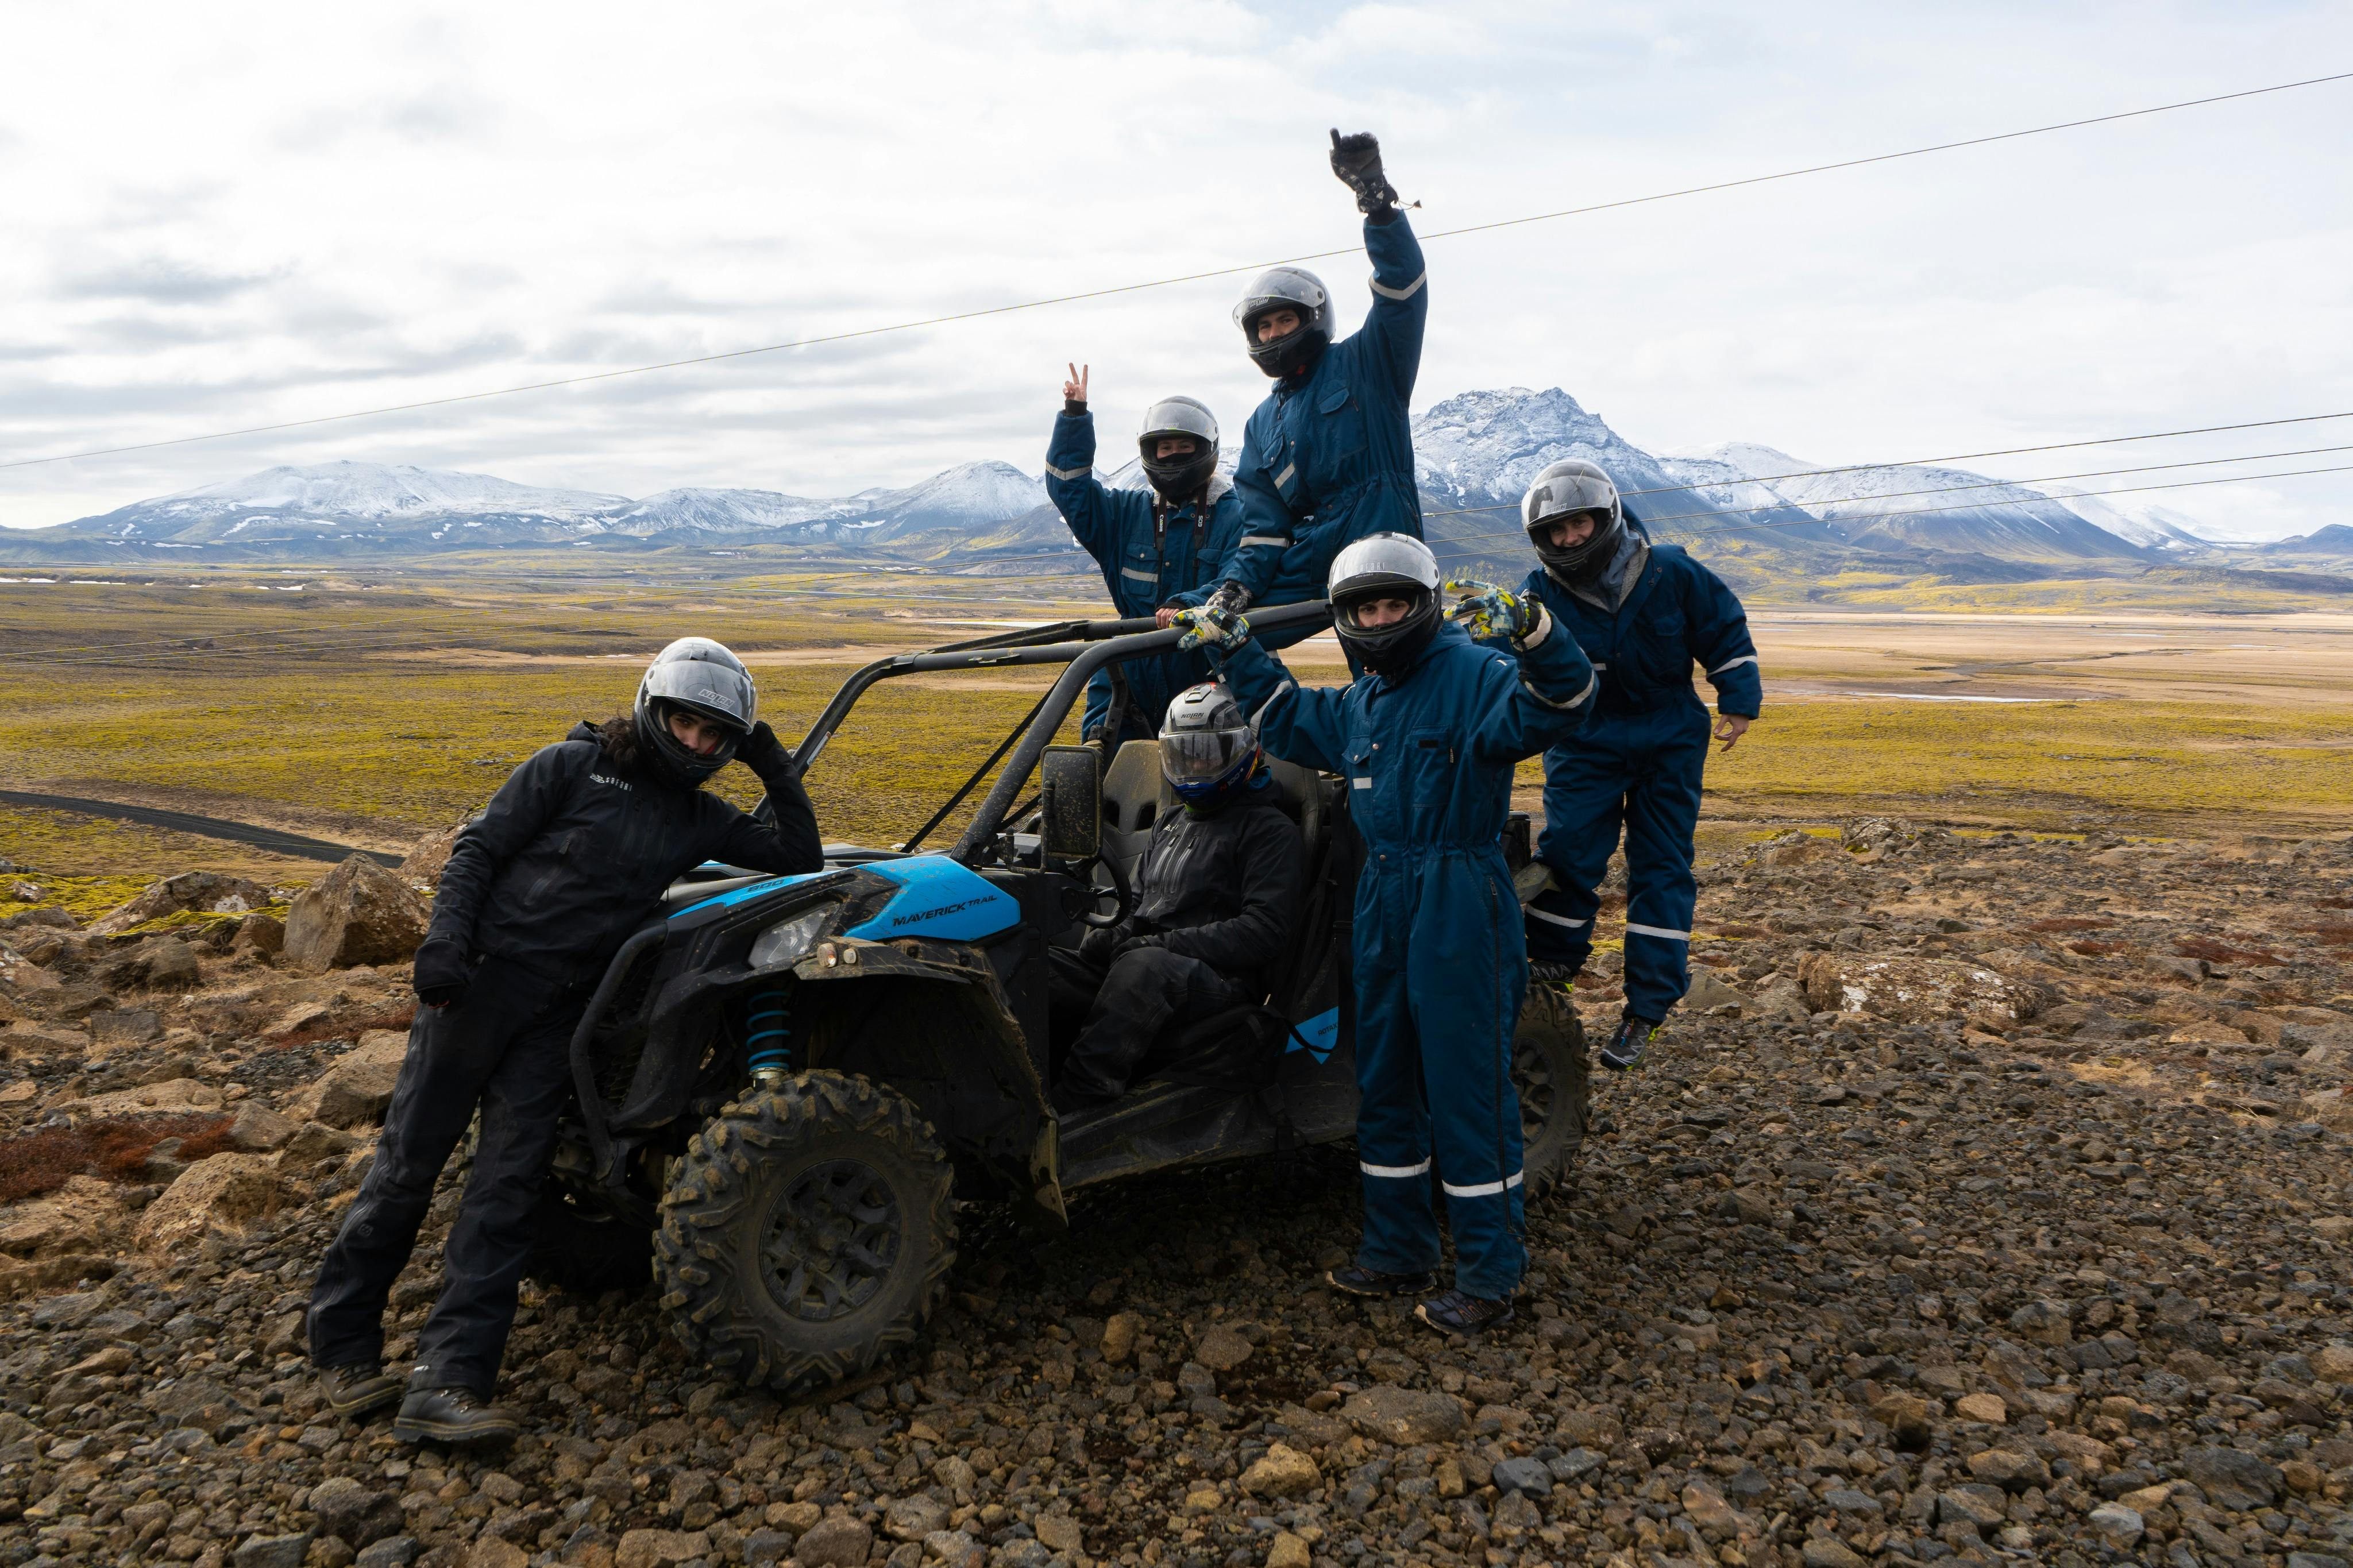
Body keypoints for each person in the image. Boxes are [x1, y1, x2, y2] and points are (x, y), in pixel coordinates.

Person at [307, 638, 823, 1444]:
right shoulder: (573, 765)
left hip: (559, 1020)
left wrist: (769, 758)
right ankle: (341, 1347)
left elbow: (800, 856)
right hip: (478, 989)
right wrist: (444, 944)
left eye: (715, 736)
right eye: (686, 723)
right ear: (654, 708)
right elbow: (479, 848)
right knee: (409, 1165)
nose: (695, 744)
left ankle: (450, 1382)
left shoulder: (699, 818)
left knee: (505, 1191)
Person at [1172, 534, 1595, 1333]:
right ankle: (1398, 1248)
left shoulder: (1475, 675)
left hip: (1458, 898)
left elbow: (1563, 705)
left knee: (1468, 1089)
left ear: (1424, 603)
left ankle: (1489, 1277)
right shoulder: (1363, 699)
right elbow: (1291, 719)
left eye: (1393, 602)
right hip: (1382, 895)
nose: (1378, 617)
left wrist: (1537, 632)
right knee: (1387, 1081)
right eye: (1363, 606)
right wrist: (1236, 649)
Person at [1507, 459, 1761, 1072]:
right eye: (1556, 531)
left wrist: (1739, 699)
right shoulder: (1536, 595)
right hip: (1583, 743)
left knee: (1662, 868)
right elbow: (1497, 659)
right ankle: (1553, 967)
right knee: (1567, 855)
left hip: (1669, 738)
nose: (1569, 539)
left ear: (1607, 516)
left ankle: (1645, 1009)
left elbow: (1721, 626)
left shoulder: (1668, 569)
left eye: (1579, 524)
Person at [1174, 130, 1426, 646]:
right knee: (1221, 633)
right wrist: (1234, 591)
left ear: (1312, 318)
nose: (1272, 335)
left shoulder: (1368, 361)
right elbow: (1265, 530)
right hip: (1315, 549)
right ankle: (1251, 717)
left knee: (1388, 657)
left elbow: (1402, 290)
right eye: (1262, 327)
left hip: (1384, 535)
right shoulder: (1262, 423)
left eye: (1283, 320)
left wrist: (1378, 206)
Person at [1047, 681, 1303, 1111]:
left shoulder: (1270, 831)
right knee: (1044, 964)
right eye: (1182, 754)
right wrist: (1116, 936)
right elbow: (1140, 904)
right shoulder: (1171, 823)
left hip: (1219, 984)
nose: (1194, 765)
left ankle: (1079, 1104)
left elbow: (1265, 931)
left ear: (1241, 752)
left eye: (1207, 753)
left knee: (1145, 966)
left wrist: (1158, 944)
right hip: (1150, 967)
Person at [1044, 368, 1244, 744]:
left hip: (1206, 672)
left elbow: (1239, 580)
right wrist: (1074, 417)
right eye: (1164, 448)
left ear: (1205, 452)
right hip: (1127, 679)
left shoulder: (1237, 516)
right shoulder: (1125, 514)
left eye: (1184, 447)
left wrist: (1187, 605)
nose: (1172, 456)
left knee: (1208, 781)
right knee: (1102, 772)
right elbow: (1071, 493)